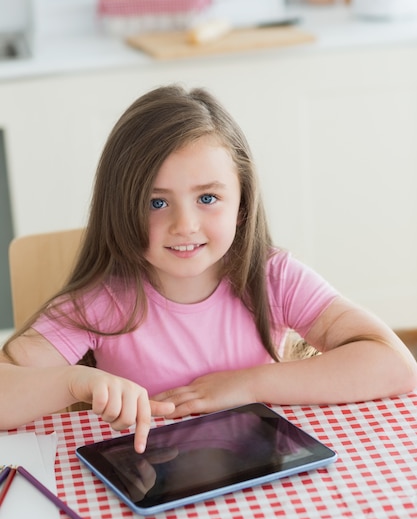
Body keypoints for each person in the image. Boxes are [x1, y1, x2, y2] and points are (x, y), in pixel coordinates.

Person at [1, 84, 416, 453]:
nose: (185, 225)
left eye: (208, 198)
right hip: (153, 486)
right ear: (121, 209)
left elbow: (395, 365)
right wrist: (75, 382)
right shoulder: (103, 301)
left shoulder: (273, 278)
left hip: (258, 474)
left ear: (242, 205)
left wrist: (248, 383)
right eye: (156, 202)